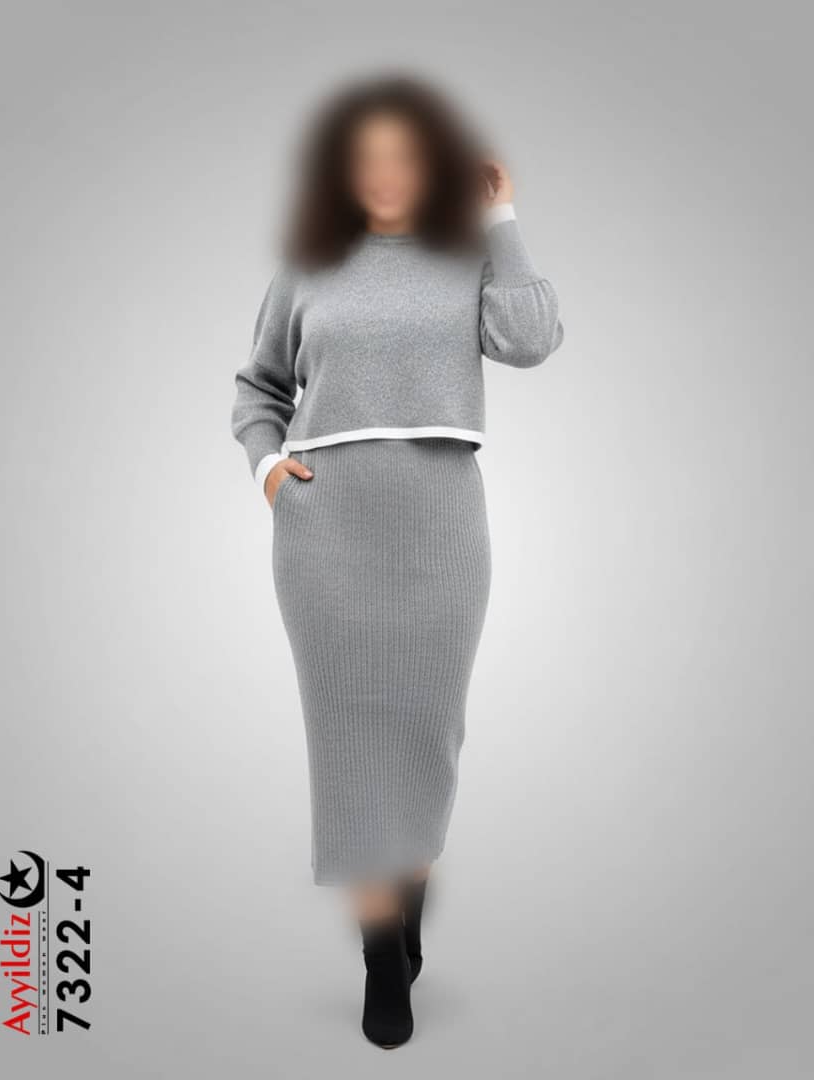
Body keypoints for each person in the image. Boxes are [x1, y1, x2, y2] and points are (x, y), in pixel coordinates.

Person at [230, 74, 564, 1049]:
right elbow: (257, 388)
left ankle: (405, 906)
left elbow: (531, 340)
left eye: (404, 155)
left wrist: (502, 218)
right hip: (326, 533)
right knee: (349, 744)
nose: (384, 172)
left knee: (424, 736)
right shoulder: (307, 267)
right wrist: (267, 471)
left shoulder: (468, 259)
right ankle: (383, 955)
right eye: (366, 157)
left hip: (442, 530)